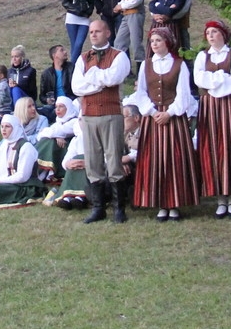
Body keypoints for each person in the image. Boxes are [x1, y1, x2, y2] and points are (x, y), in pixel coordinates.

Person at [126, 27, 199, 221]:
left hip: (174, 118)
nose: (155, 44)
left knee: (174, 160)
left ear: (167, 42)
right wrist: (151, 111)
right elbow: (141, 92)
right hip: (153, 118)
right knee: (155, 159)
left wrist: (170, 112)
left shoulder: (179, 65)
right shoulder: (146, 65)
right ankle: (159, 203)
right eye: (152, 41)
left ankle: (174, 203)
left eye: (158, 40)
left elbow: (184, 93)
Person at [72, 18, 133, 223]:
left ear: (107, 33)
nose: (94, 35)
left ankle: (119, 208)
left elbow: (113, 79)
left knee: (114, 159)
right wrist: (99, 82)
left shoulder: (119, 56)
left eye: (97, 31)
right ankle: (98, 208)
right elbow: (76, 87)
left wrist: (94, 75)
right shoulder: (83, 58)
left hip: (110, 113)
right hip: (89, 115)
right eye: (91, 32)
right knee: (93, 161)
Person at [194, 19, 231, 220]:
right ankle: (220, 198)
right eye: (208, 32)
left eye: (214, 32)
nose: (210, 36)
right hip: (210, 107)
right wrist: (220, 78)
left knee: (230, 147)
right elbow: (198, 79)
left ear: (223, 34)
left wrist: (214, 84)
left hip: (229, 106)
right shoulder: (203, 56)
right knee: (213, 149)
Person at [41, 98, 87, 207]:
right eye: (80, 120)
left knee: (81, 160)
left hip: (89, 169)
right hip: (75, 168)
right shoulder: (77, 140)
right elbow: (66, 159)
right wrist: (68, 164)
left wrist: (86, 163)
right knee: (73, 162)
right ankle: (68, 196)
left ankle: (81, 197)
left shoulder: (98, 139)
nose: (82, 123)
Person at [38, 44, 73, 112]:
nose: (65, 52)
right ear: (54, 55)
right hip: (54, 105)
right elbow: (42, 96)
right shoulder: (46, 74)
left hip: (70, 102)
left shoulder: (72, 68)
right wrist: (47, 100)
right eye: (62, 50)